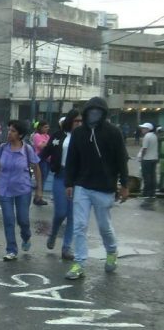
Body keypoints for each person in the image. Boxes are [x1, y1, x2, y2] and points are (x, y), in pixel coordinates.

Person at [64, 97, 129, 280]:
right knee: (79, 226)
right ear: (85, 113)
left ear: (103, 113)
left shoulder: (114, 132)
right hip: (82, 186)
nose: (94, 114)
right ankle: (79, 263)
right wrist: (68, 183)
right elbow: (71, 161)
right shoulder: (78, 133)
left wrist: (124, 185)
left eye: (98, 111)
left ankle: (111, 251)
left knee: (104, 227)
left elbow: (121, 160)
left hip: (105, 187)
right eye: (90, 111)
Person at [0, 120, 43, 261]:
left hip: (23, 190)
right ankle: (11, 250)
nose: (9, 133)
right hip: (4, 190)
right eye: (9, 130)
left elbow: (37, 169)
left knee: (23, 220)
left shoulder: (27, 150)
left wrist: (39, 190)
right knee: (8, 220)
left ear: (20, 134)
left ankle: (26, 237)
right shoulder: (2, 148)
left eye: (13, 131)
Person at [41, 110, 82, 260]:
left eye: (81, 121)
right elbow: (46, 152)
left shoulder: (84, 137)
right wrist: (33, 163)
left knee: (72, 215)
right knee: (61, 212)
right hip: (60, 176)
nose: (79, 123)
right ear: (70, 121)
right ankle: (53, 233)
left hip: (78, 180)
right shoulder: (58, 136)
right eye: (76, 120)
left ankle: (66, 248)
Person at [32, 121, 51, 206]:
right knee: (40, 179)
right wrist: (48, 143)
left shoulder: (47, 136)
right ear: (41, 127)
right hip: (40, 159)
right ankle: (37, 198)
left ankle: (39, 197)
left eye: (48, 127)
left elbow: (49, 146)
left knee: (44, 179)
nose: (47, 129)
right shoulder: (37, 136)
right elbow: (41, 146)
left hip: (48, 160)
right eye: (45, 127)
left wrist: (46, 143)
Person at [138, 122, 158, 201]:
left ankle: (146, 193)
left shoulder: (147, 136)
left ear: (148, 129)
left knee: (146, 177)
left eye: (143, 128)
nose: (142, 129)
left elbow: (144, 149)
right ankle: (152, 193)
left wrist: (141, 157)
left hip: (147, 159)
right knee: (153, 176)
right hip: (154, 158)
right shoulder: (154, 136)